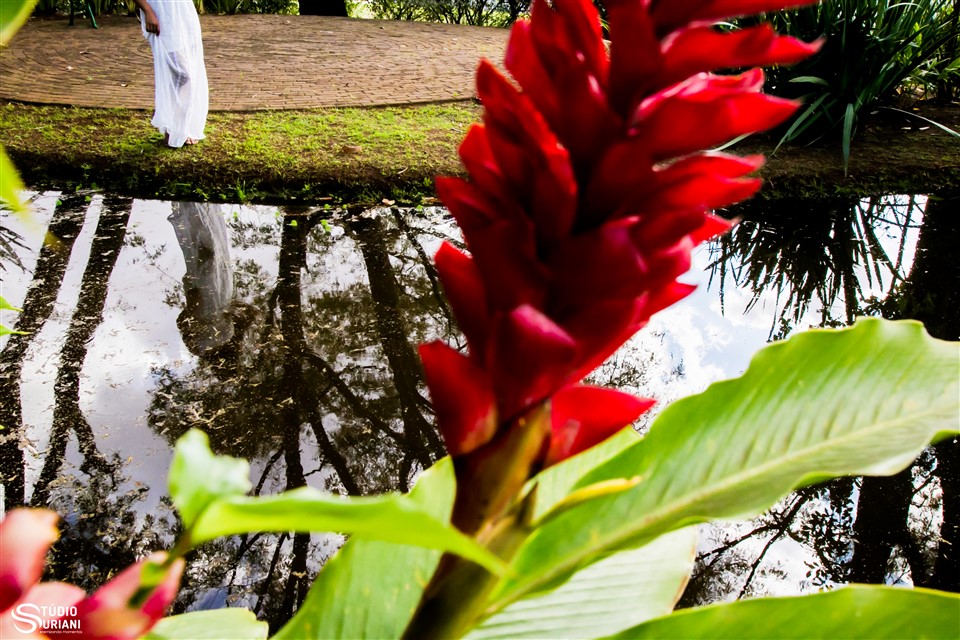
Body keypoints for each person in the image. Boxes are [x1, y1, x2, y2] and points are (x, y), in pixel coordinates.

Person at [132, 0, 209, 148]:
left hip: (183, 12)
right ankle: (173, 128)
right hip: (161, 14)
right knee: (182, 73)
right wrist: (147, 10)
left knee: (186, 71)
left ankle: (180, 128)